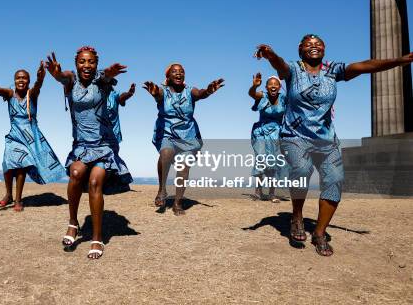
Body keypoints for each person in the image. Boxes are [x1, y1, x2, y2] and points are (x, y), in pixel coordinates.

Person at [255, 34, 413, 256]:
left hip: (326, 139)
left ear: (324, 48)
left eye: (318, 44)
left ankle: (319, 232)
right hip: (294, 136)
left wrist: (399, 61)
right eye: (308, 44)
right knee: (301, 170)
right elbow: (279, 64)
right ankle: (297, 216)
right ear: (300, 49)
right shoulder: (292, 70)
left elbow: (365, 66)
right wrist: (271, 55)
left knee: (335, 180)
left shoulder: (333, 70)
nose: (314, 47)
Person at [46, 47, 131, 259]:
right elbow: (62, 76)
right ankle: (73, 223)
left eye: (91, 62)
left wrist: (110, 72)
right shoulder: (71, 82)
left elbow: (106, 76)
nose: (87, 66)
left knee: (94, 182)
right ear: (76, 64)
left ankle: (97, 236)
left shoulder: (100, 82)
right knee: (75, 174)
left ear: (96, 64)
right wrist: (56, 74)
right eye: (82, 62)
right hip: (82, 147)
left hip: (104, 147)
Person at [0, 62, 65, 212]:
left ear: (28, 81)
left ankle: (18, 199)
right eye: (18, 78)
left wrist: (40, 78)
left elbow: (38, 86)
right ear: (14, 80)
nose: (21, 80)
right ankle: (8, 195)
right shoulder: (9, 94)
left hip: (30, 137)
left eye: (24, 78)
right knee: (8, 166)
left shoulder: (32, 94)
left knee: (21, 166)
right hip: (14, 136)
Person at [144, 64, 224, 215]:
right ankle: (162, 190)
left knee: (184, 166)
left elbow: (200, 94)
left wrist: (208, 91)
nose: (179, 74)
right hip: (167, 132)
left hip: (188, 135)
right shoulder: (164, 92)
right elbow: (159, 95)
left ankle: (177, 203)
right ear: (168, 77)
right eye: (175, 72)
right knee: (166, 153)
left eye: (181, 72)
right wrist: (154, 94)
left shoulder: (190, 91)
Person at [248, 72, 286, 203]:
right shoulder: (262, 96)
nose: (273, 86)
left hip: (277, 133)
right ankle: (258, 191)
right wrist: (254, 86)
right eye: (270, 84)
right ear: (266, 87)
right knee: (261, 158)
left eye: (276, 84)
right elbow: (252, 94)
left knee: (274, 161)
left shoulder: (284, 98)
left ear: (280, 87)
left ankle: (271, 193)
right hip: (261, 132)